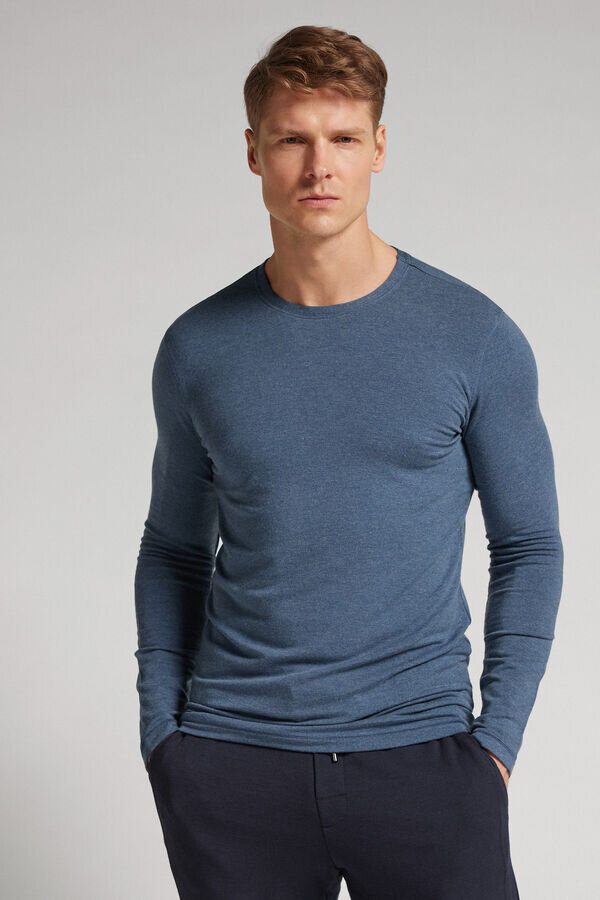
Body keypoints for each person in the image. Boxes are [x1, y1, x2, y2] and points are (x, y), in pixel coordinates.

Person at [134, 24, 563, 900]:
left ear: (379, 149)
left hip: (427, 760)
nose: (319, 167)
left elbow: (529, 545)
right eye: (293, 139)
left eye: (343, 138)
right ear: (253, 153)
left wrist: (496, 747)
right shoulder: (197, 348)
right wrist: (165, 739)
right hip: (234, 762)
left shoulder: (474, 336)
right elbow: (173, 550)